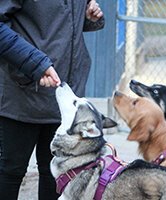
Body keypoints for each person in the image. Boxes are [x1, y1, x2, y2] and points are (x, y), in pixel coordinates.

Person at [0, 1, 104, 200]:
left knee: (56, 175)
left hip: (64, 96)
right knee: (11, 172)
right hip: (22, 93)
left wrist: (89, 16)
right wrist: (35, 63)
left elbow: (58, 20)